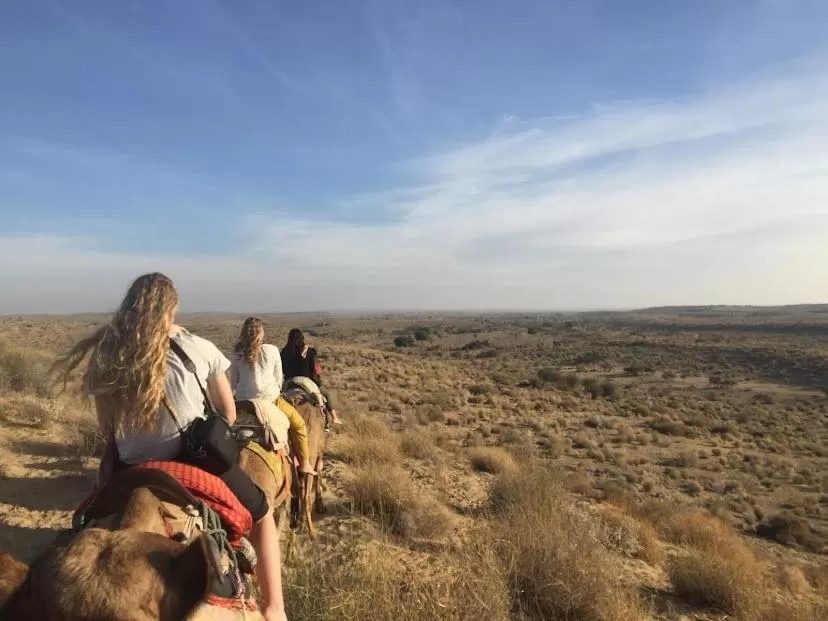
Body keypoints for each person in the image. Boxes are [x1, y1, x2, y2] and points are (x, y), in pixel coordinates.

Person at [52, 273, 288, 621]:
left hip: (130, 467)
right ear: (171, 308)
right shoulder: (198, 347)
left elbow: (108, 430)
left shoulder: (106, 354)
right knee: (263, 513)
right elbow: (228, 411)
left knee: (86, 515)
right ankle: (274, 608)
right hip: (193, 463)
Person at [230, 317, 313, 473]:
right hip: (271, 401)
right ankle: (305, 464)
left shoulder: (237, 355)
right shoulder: (271, 350)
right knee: (299, 425)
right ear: (260, 334)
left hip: (243, 405)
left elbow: (233, 383)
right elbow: (278, 379)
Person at [280, 328, 342, 426]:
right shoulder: (307, 351)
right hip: (306, 380)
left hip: (289, 381)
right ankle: (334, 418)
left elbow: (282, 369)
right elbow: (314, 369)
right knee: (327, 395)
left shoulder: (284, 352)